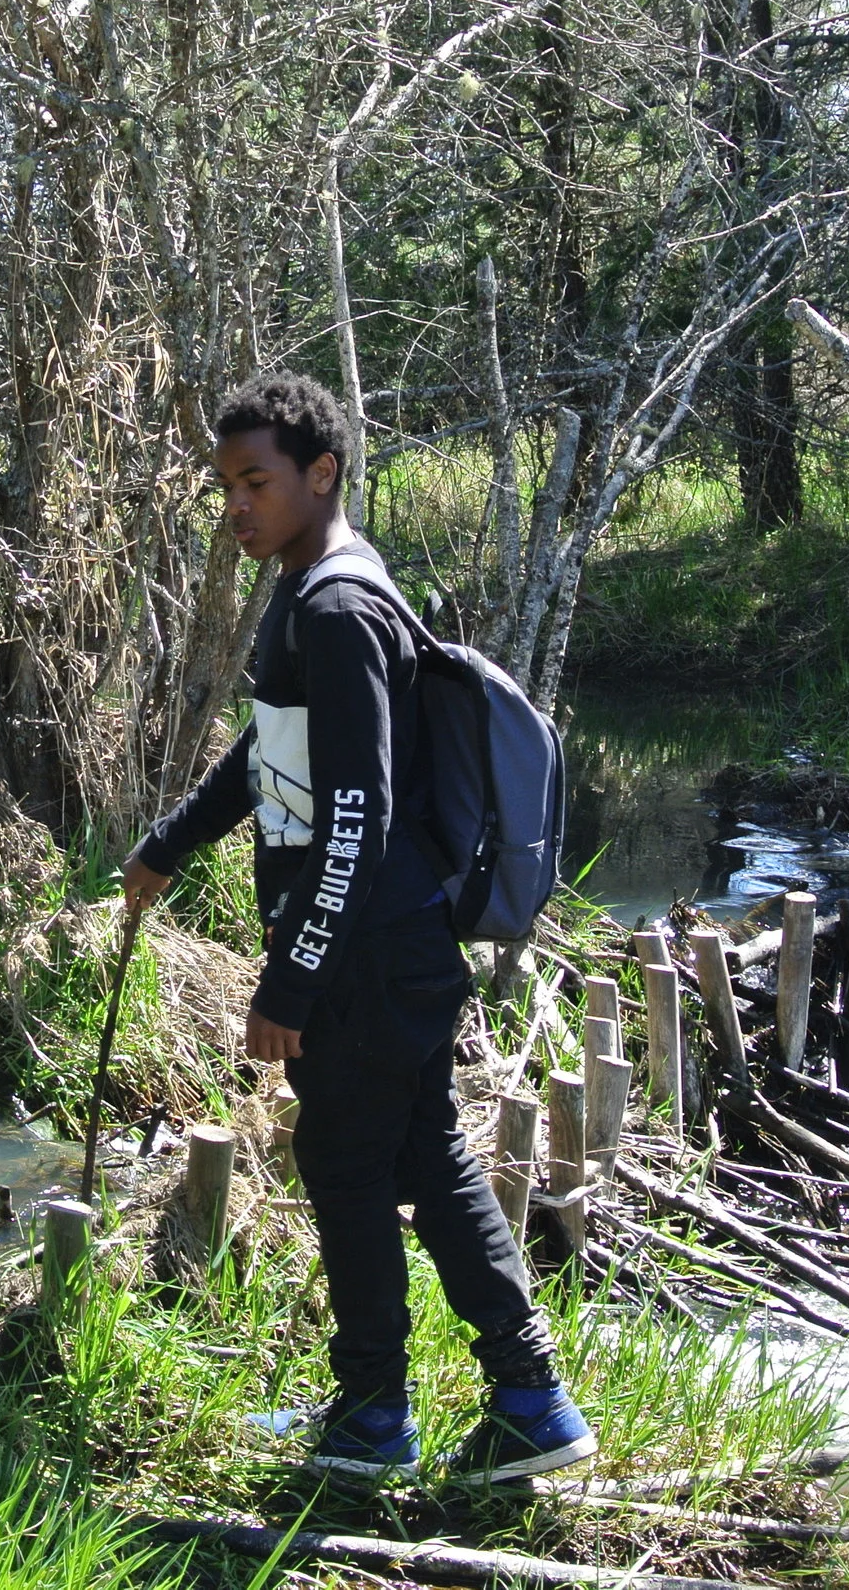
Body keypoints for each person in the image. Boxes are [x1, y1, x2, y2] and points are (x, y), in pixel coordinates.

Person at [119, 370, 595, 1483]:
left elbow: (357, 811)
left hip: (370, 951)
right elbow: (270, 750)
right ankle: (526, 1402)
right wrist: (170, 843)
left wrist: (291, 979)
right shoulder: (314, 585)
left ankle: (378, 1417)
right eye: (224, 486)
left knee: (344, 1161)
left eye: (256, 482)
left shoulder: (335, 607)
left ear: (319, 473)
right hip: (391, 941)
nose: (236, 505)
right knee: (422, 1153)